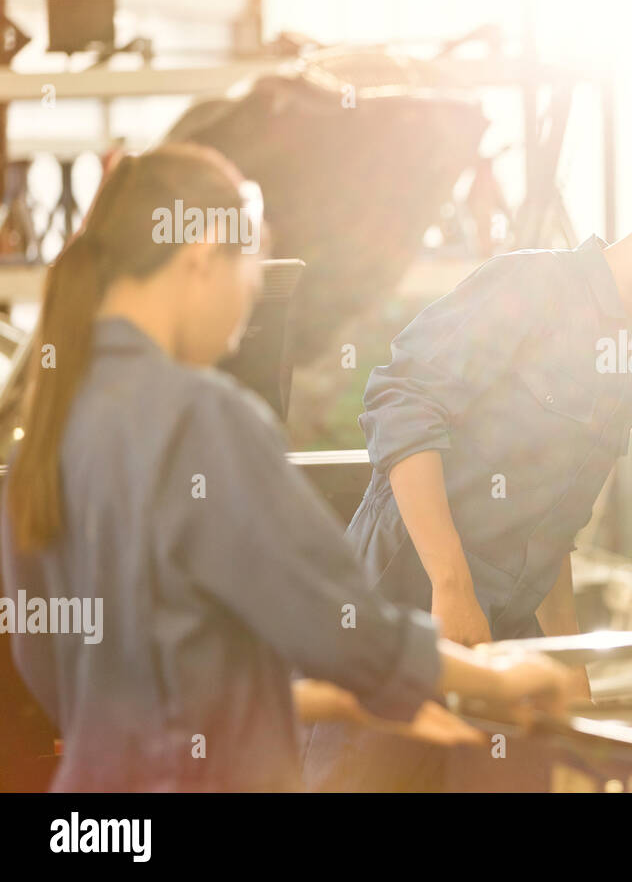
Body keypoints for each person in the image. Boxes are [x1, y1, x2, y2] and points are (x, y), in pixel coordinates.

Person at [0, 144, 576, 792]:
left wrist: (323, 701)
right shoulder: (200, 419)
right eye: (251, 272)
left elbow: (72, 680)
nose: (247, 311)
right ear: (203, 256)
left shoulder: (47, 435)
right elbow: (339, 626)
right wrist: (496, 678)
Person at [302, 156, 632, 789]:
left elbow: (552, 535)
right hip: (403, 611)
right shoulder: (528, 287)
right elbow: (403, 399)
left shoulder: (631, 365)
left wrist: (573, 674)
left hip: (506, 643)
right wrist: (452, 588)